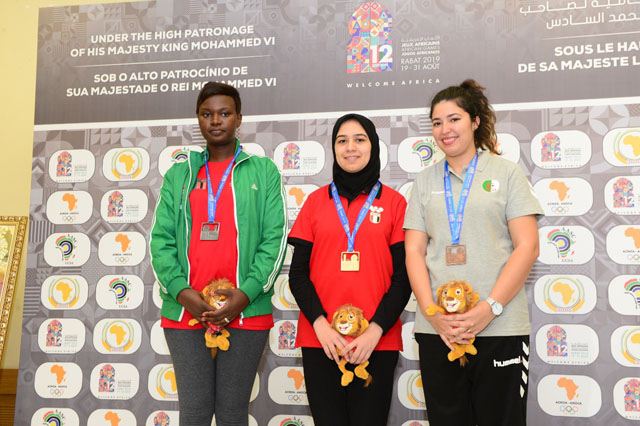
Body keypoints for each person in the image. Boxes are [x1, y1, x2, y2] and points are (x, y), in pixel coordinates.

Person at [404, 80, 543, 426]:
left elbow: (527, 246)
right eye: (437, 123)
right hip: (439, 331)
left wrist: (488, 308)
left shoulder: (507, 173)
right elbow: (414, 252)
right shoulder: (424, 181)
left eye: (454, 119)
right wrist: (433, 313)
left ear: (475, 121)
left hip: (500, 327)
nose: (445, 130)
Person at [149, 81, 287, 426]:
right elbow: (160, 241)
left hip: (246, 310)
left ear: (239, 118)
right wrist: (185, 295)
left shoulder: (263, 171)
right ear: (198, 119)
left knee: (232, 412)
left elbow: (275, 239)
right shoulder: (179, 175)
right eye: (206, 114)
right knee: (194, 413)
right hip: (185, 312)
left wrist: (245, 295)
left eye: (224, 113)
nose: (215, 121)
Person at [288, 113, 411, 426]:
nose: (350, 147)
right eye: (342, 141)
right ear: (333, 148)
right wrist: (321, 326)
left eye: (360, 139)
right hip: (322, 341)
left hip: (376, 341)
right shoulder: (315, 202)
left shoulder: (395, 204)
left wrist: (374, 331)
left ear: (373, 146)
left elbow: (403, 278)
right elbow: (297, 275)